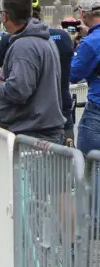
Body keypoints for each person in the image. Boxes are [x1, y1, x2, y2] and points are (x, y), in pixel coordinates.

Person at [0, 0, 65, 143]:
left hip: (32, 135)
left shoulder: (24, 46)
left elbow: (19, 91)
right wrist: (3, 73)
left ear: (5, 16)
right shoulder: (43, 40)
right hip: (42, 132)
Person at [70, 0, 100, 155]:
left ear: (82, 14)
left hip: (97, 113)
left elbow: (73, 74)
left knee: (90, 169)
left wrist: (73, 46)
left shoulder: (90, 43)